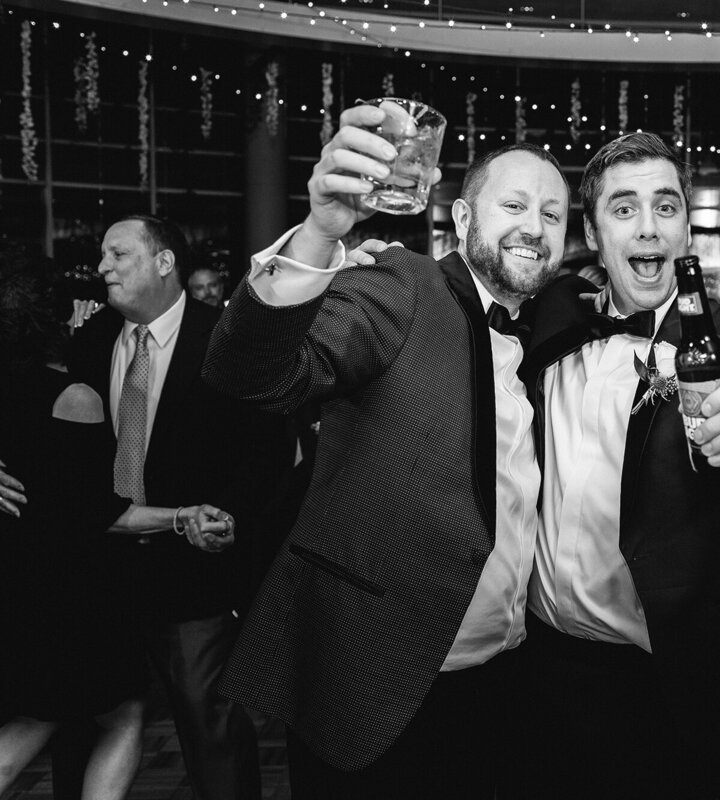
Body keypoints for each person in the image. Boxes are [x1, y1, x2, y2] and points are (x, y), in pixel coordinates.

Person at [200, 104, 569, 798]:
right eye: (515, 204)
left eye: (553, 214)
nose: (535, 226)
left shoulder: (544, 337)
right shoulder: (403, 283)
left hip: (505, 678)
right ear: (462, 219)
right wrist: (319, 233)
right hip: (372, 676)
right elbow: (252, 375)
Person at [512, 132, 720, 799]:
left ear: (686, 225)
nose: (648, 226)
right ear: (593, 235)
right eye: (623, 209)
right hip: (538, 672)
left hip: (669, 685)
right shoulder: (550, 324)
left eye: (665, 206)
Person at [53, 214, 281, 800]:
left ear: (163, 263)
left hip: (194, 571)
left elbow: (267, 446)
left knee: (210, 728)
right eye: (103, 255)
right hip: (99, 570)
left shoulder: (227, 337)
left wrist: (226, 515)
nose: (103, 266)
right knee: (87, 716)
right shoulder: (89, 340)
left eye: (117, 254)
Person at [0, 251, 238, 799]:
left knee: (42, 716)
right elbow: (99, 514)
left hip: (19, 586)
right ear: (64, 319)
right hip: (71, 593)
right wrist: (183, 515)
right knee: (109, 716)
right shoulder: (74, 396)